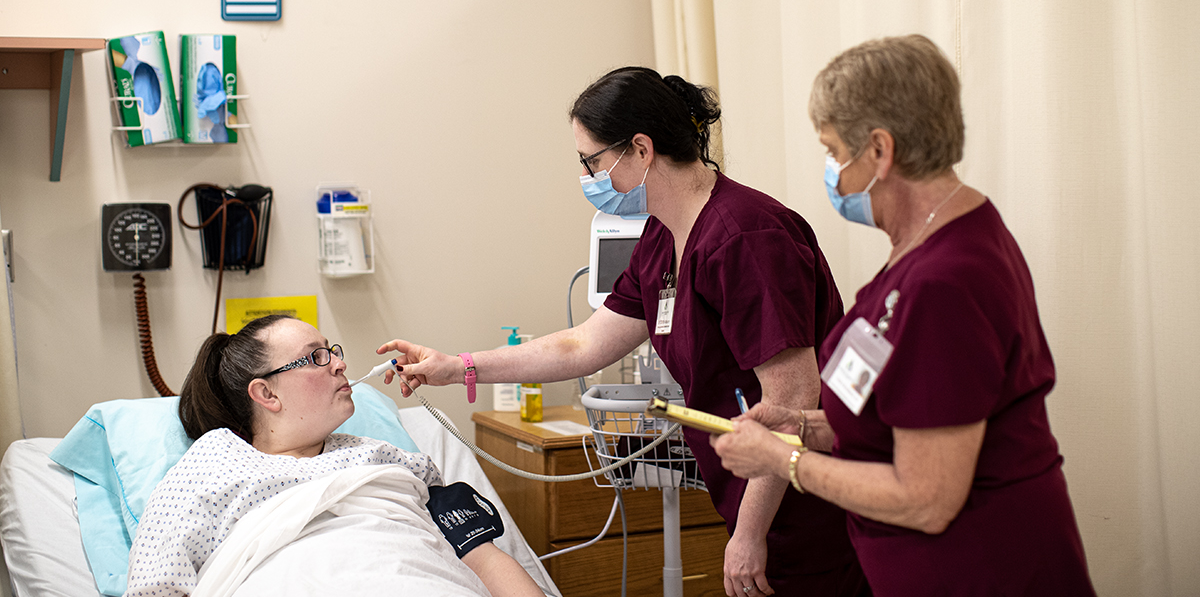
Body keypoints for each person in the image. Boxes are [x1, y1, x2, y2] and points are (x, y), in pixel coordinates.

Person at [378, 67, 867, 597]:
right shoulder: (662, 236)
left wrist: (749, 535)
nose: (587, 177)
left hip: (806, 500)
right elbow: (583, 344)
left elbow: (793, 395)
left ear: (640, 149)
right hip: (755, 492)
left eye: (591, 161)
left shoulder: (745, 236)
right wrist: (459, 367)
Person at [710, 35, 1096, 595]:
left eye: (834, 151)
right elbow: (901, 417)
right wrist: (802, 427)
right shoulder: (933, 240)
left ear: (880, 151)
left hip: (983, 568)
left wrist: (778, 458)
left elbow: (927, 497)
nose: (832, 171)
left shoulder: (945, 281)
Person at [123, 314, 544, 597]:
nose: (339, 365)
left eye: (333, 351)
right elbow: (156, 585)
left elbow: (483, 559)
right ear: (266, 393)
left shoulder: (391, 459)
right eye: (316, 357)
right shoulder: (212, 463)